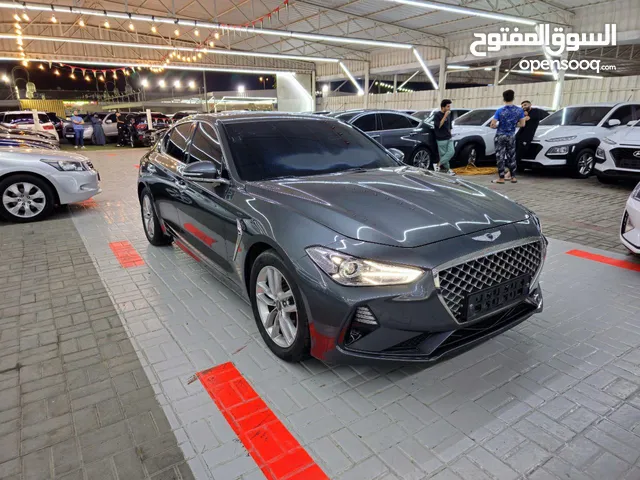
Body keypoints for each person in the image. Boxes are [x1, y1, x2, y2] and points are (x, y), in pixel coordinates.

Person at [490, 89, 525, 184]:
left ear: (503, 99)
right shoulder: (519, 110)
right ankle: (513, 177)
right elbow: (522, 124)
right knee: (512, 156)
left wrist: (499, 126)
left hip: (500, 135)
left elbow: (492, 124)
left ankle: (501, 178)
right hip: (511, 136)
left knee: (500, 156)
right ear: (513, 98)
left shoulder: (500, 111)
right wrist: (513, 125)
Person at [516, 100, 547, 166]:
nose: (523, 107)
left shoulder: (535, 111)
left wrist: (523, 117)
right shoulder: (524, 113)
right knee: (514, 151)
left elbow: (526, 119)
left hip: (527, 136)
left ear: (530, 105)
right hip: (519, 134)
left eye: (525, 105)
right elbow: (518, 124)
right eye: (522, 106)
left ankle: (511, 170)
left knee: (520, 152)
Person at [432, 99, 456, 175]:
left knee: (451, 152)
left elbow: (449, 126)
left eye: (449, 106)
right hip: (441, 139)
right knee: (443, 155)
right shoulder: (437, 115)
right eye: (448, 106)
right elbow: (438, 125)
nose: (449, 108)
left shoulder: (449, 115)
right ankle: (448, 169)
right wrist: (445, 116)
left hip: (448, 137)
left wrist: (450, 134)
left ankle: (438, 164)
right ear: (443, 107)